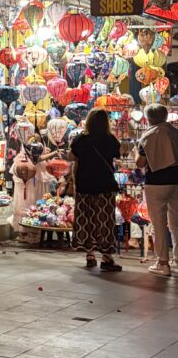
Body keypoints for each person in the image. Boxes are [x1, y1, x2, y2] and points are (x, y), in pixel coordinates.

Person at [68, 108, 122, 272]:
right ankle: (106, 257)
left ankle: (90, 254)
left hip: (84, 185)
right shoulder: (110, 139)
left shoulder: (80, 140)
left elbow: (71, 157)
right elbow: (117, 155)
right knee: (105, 220)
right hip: (104, 186)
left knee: (86, 219)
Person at [136, 103, 178, 277]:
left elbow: (140, 162)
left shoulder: (148, 136)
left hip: (156, 183)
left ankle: (163, 262)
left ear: (149, 118)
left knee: (159, 223)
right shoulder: (175, 132)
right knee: (176, 223)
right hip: (177, 181)